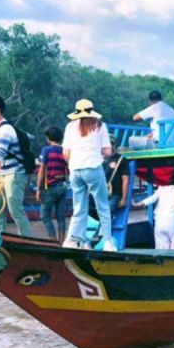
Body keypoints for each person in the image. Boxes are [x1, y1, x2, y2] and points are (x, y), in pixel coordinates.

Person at [62, 98, 115, 251]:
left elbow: (66, 154)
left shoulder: (70, 126)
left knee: (79, 207)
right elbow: (108, 151)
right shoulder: (100, 125)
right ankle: (107, 242)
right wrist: (100, 155)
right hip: (93, 167)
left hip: (75, 170)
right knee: (103, 206)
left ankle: (72, 240)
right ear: (92, 111)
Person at [0, 93, 33, 237]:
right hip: (2, 173)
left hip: (15, 172)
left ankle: (27, 239)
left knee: (14, 207)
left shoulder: (5, 130)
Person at [133, 171, 174, 250]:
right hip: (173, 222)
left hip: (159, 222)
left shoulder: (162, 189)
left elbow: (151, 199)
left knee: (161, 248)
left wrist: (138, 204)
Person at [36, 126, 68, 243]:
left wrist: (39, 189)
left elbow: (42, 170)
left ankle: (53, 242)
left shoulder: (46, 150)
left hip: (50, 187)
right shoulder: (65, 151)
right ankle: (62, 243)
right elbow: (68, 170)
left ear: (49, 138)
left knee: (44, 216)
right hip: (63, 186)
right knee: (61, 217)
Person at [104, 136, 130, 216]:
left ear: (114, 145)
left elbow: (125, 180)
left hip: (115, 194)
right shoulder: (100, 159)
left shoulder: (121, 159)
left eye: (110, 144)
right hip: (101, 194)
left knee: (105, 214)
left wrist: (123, 199)